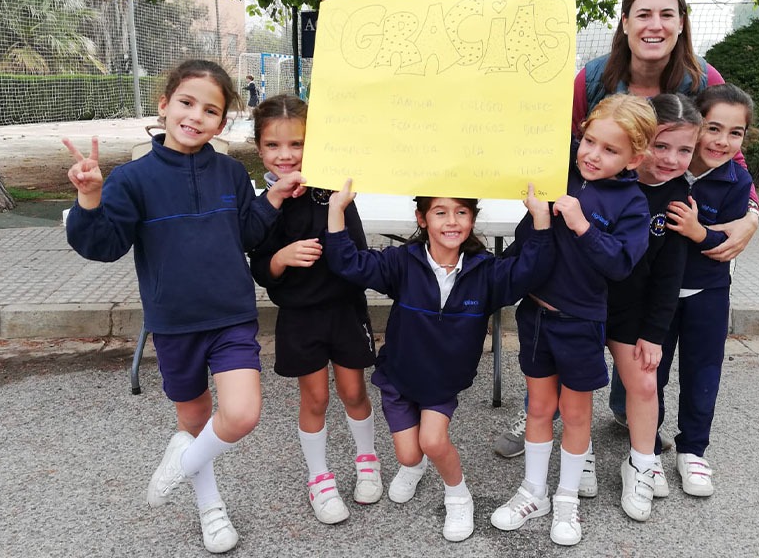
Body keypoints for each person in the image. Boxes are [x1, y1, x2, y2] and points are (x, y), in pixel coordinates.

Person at [493, 0, 759, 457]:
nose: (654, 25)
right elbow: (558, 143)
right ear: (625, 22)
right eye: (643, 14)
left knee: (637, 344)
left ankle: (628, 420)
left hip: (656, 225)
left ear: (682, 23)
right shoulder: (594, 78)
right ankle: (544, 410)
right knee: (570, 319)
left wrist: (752, 214)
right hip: (592, 221)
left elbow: (731, 151)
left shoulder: (703, 81)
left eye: (667, 14)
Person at [63, 59, 305, 554]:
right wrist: (90, 197)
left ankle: (182, 459)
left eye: (211, 110)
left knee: (240, 414)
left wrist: (274, 197)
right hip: (174, 324)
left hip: (232, 316)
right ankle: (209, 506)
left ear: (223, 121)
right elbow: (103, 245)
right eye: (187, 103)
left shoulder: (232, 172)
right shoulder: (133, 179)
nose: (196, 117)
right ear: (164, 104)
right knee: (193, 420)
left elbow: (247, 234)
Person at [324, 180, 554, 542]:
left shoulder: (486, 272)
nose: (452, 221)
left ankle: (458, 496)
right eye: (440, 212)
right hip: (399, 377)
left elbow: (531, 270)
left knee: (432, 441)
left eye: (461, 212)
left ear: (473, 218)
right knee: (409, 455)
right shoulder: (402, 262)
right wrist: (336, 210)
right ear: (422, 218)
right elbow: (348, 263)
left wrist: (540, 219)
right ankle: (413, 470)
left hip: (442, 382)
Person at [490, 94, 654, 546]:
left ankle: (566, 500)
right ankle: (533, 492)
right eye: (590, 141)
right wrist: (538, 219)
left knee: (576, 414)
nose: (593, 155)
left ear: (634, 158)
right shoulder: (556, 173)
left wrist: (583, 225)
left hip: (581, 322)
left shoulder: (633, 203)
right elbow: (530, 240)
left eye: (610, 150)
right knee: (539, 408)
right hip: (535, 315)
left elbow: (621, 265)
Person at [247, 95, 381, 525]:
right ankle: (319, 477)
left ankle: (367, 459)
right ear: (259, 149)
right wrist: (282, 257)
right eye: (273, 145)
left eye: (297, 144)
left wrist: (337, 219)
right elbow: (260, 268)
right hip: (299, 316)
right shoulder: (263, 203)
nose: (285, 155)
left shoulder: (334, 191)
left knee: (354, 392)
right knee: (316, 397)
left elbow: (358, 254)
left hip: (344, 310)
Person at [606, 93, 703, 521]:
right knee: (572, 383)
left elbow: (670, 276)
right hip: (585, 301)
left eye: (685, 150)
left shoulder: (680, 198)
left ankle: (641, 463)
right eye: (661, 145)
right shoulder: (604, 176)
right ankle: (581, 456)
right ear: (640, 140)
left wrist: (653, 332)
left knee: (644, 384)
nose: (671, 159)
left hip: (635, 311)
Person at [659, 83, 756, 497]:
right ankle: (645, 448)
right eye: (714, 128)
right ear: (696, 124)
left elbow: (726, 245)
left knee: (703, 370)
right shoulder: (667, 168)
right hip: (657, 294)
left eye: (735, 133)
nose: (722, 141)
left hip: (708, 291)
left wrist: (700, 233)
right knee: (650, 373)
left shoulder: (737, 180)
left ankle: (693, 451)